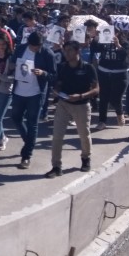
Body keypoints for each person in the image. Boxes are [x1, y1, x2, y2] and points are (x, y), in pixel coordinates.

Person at [45, 41, 99, 178]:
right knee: (57, 136)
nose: (66, 53)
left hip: (81, 105)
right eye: (65, 50)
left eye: (69, 50)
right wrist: (56, 91)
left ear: (77, 51)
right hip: (64, 104)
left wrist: (81, 96)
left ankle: (85, 158)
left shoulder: (88, 68)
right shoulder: (62, 67)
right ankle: (56, 166)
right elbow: (58, 84)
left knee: (84, 134)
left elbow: (96, 89)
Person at [9, 31, 56, 170]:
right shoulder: (21, 49)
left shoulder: (47, 54)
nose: (37, 49)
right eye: (35, 46)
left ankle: (26, 155)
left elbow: (54, 75)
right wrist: (12, 66)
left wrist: (43, 73)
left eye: (39, 46)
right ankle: (28, 141)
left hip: (35, 93)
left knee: (32, 124)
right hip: (19, 91)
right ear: (29, 43)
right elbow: (12, 63)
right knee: (16, 117)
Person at [91, 30, 129, 129]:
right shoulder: (104, 42)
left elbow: (126, 54)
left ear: (118, 33)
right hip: (104, 72)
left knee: (115, 98)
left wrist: (118, 45)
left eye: (113, 32)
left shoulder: (124, 43)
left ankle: (120, 114)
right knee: (103, 98)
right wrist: (95, 38)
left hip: (120, 75)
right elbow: (94, 49)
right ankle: (102, 121)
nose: (110, 35)